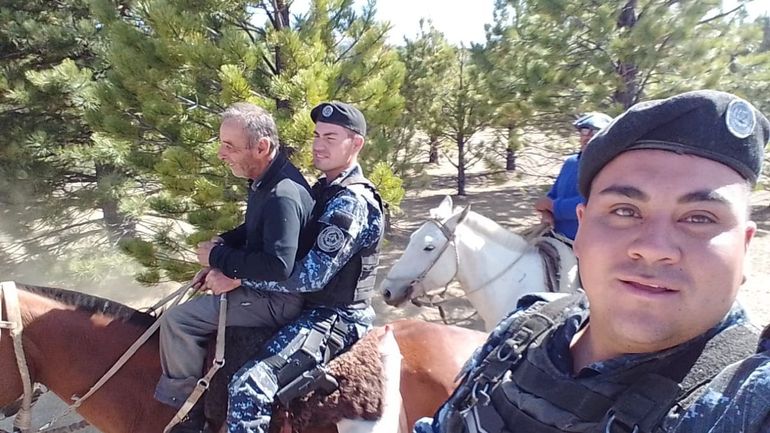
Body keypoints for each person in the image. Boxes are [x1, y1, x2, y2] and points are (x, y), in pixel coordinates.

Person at [414, 90, 770, 433]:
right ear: (588, 224)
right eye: (625, 210)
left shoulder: (751, 397)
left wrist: (560, 208)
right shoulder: (522, 327)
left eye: (699, 218)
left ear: (745, 245)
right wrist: (547, 206)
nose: (653, 248)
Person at [225, 101, 384, 433]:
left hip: (335, 316)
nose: (317, 144)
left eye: (330, 137)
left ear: (356, 144)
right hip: (310, 307)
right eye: (316, 135)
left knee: (250, 386)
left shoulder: (351, 201)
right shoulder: (324, 189)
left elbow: (311, 277)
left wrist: (236, 276)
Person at [154, 102, 314, 433]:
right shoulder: (267, 179)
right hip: (262, 288)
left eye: (229, 146)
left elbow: (278, 265)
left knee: (178, 321)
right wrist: (224, 243)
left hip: (277, 301)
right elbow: (255, 232)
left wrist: (218, 261)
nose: (220, 154)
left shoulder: (282, 194)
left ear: (262, 147)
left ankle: (186, 416)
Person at [535, 111, 613, 240]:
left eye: (594, 132)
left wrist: (552, 206)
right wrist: (546, 213)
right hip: (558, 237)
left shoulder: (611, 166)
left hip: (590, 243)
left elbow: (595, 204)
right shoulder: (571, 162)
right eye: (584, 131)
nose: (588, 136)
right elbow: (552, 195)